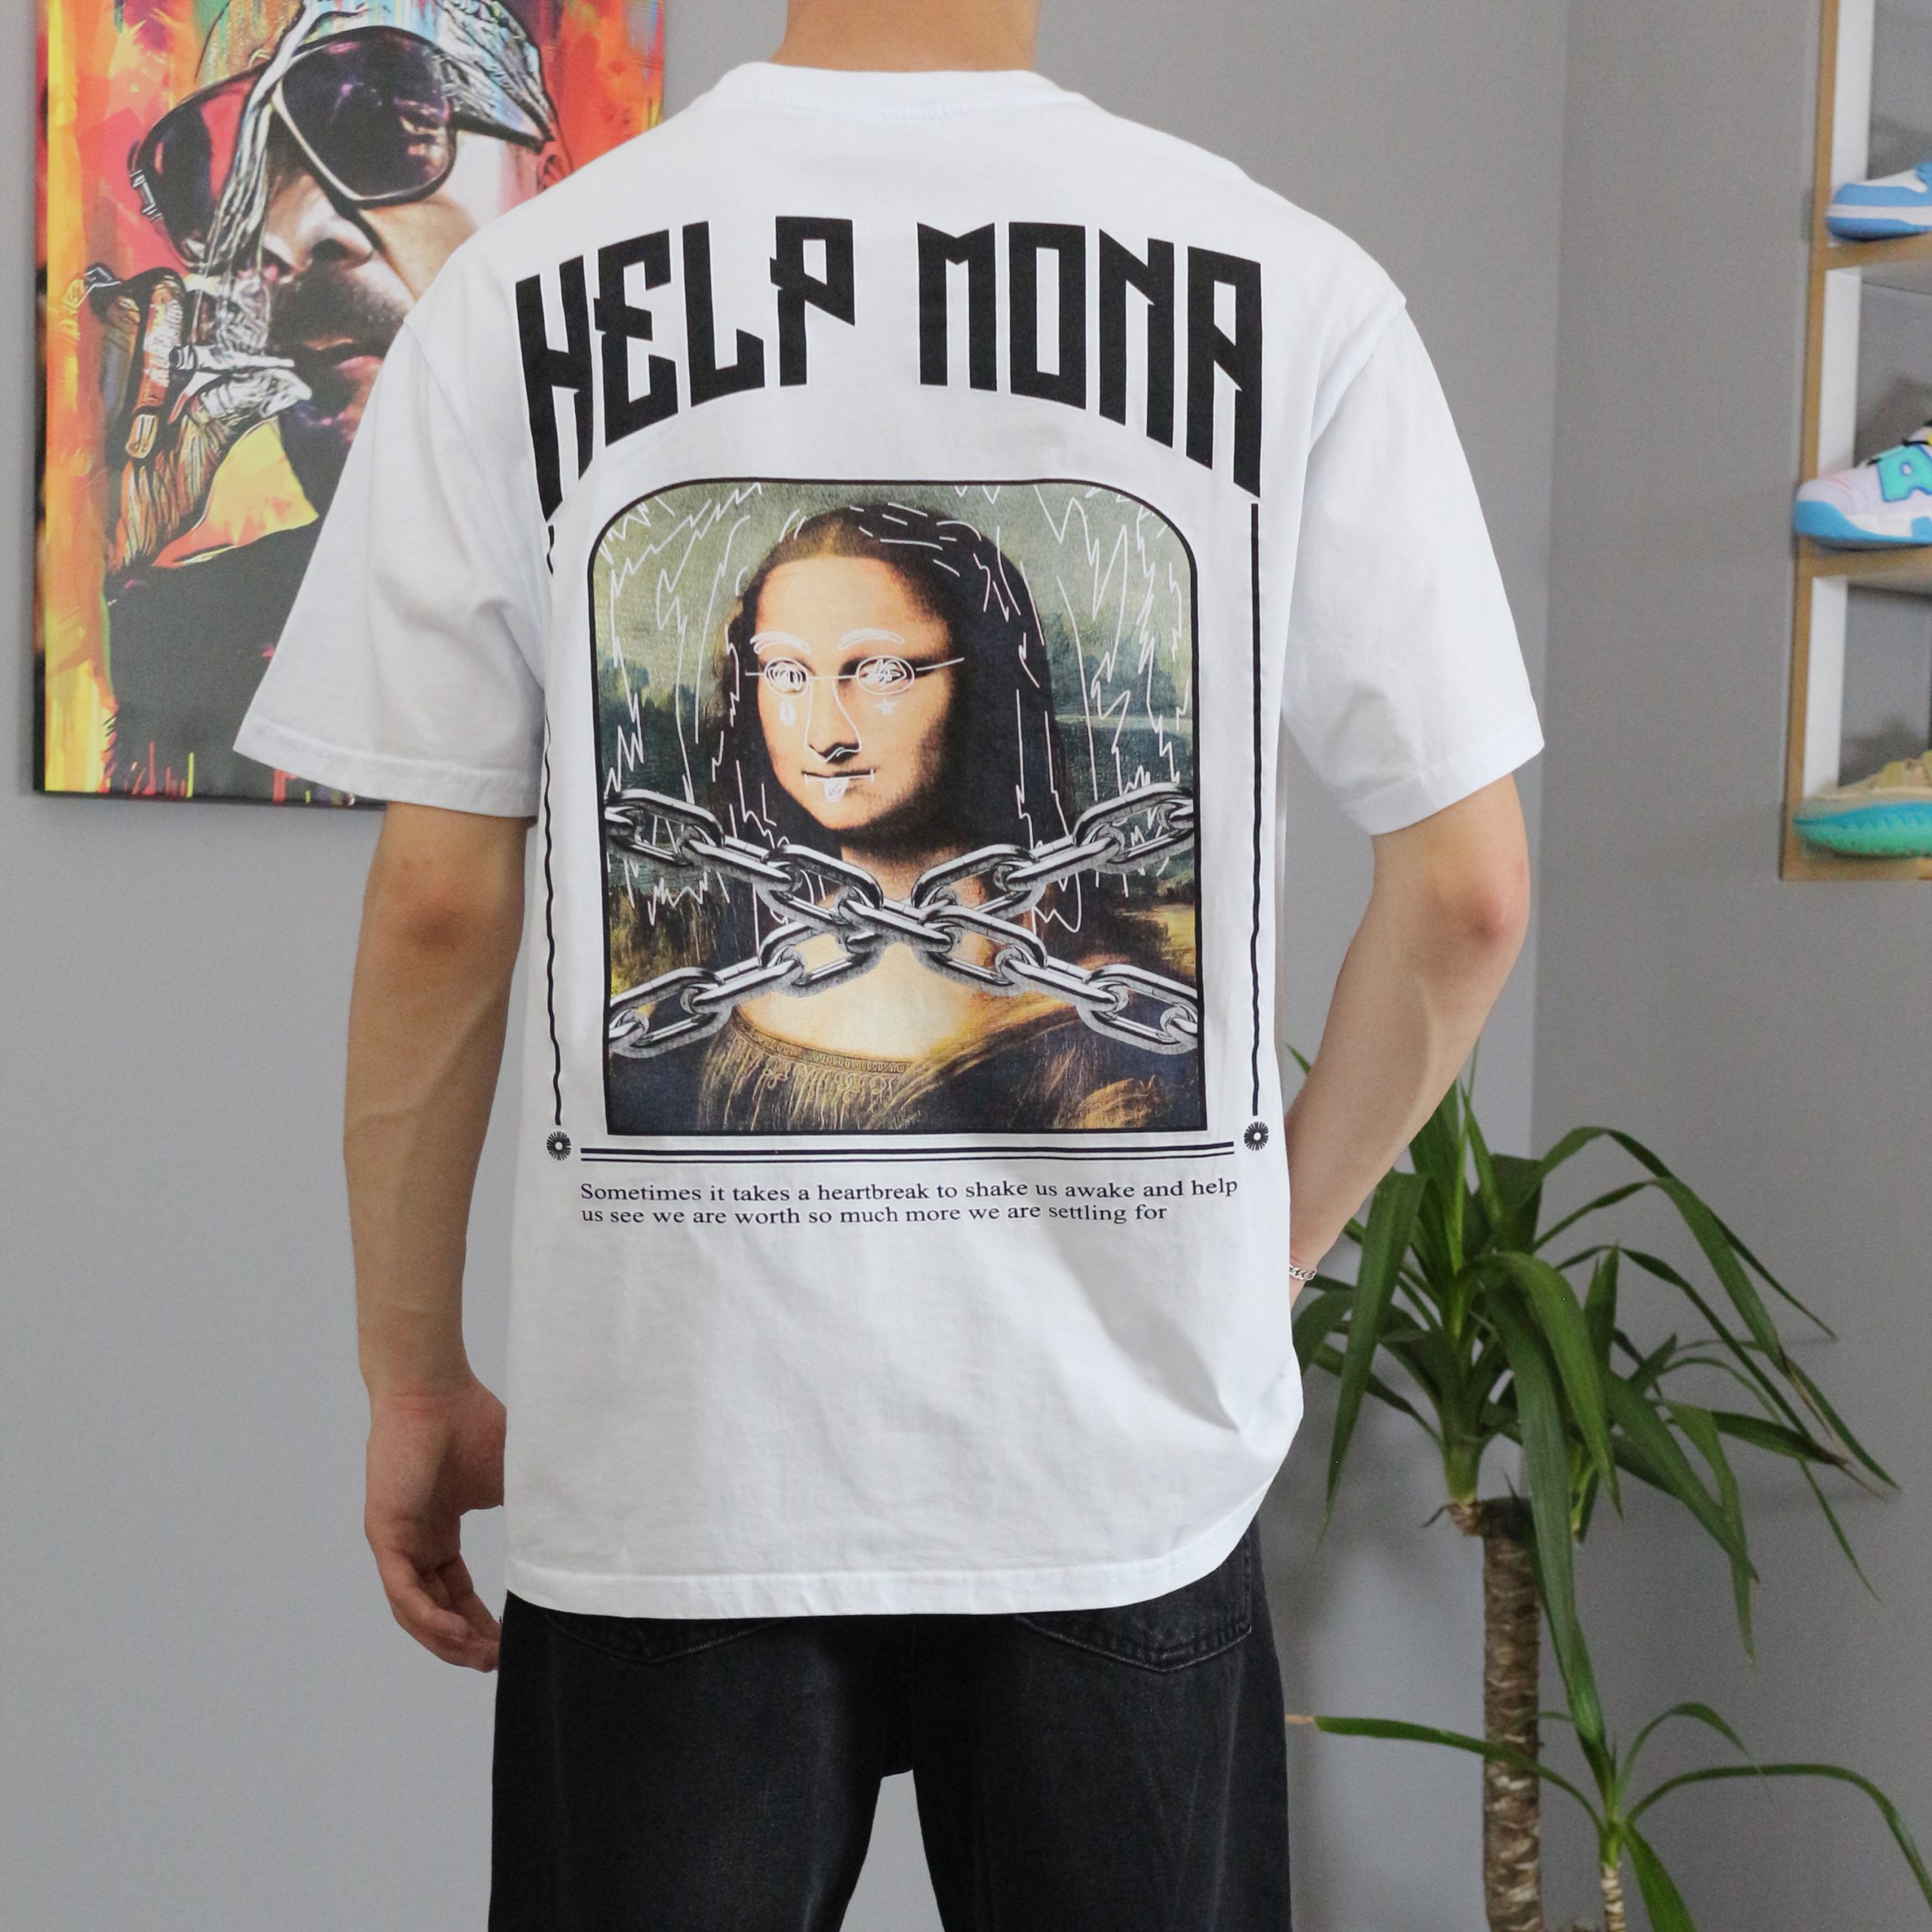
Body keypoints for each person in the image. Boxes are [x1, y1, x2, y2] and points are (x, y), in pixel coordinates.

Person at [235, 0, 1542, 1924]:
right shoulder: (1297, 292)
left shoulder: (515, 298)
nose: (823, 715)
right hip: (1112, 1471)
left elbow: (438, 902)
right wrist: (1253, 1248)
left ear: (978, 669)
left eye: (877, 665)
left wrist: (412, 1371)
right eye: (781, 669)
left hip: (680, 1463)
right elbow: (1469, 890)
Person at [606, 498, 1205, 1134]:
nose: (825, 735)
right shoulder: (721, 992)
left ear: (983, 683)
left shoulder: (1108, 1030)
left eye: (883, 673)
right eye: (786, 673)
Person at [98, 0, 565, 798]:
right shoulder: (188, 642)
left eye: (378, 128)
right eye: (239, 191)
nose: (286, 237)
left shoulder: (652, 610)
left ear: (549, 190)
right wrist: (102, 558)